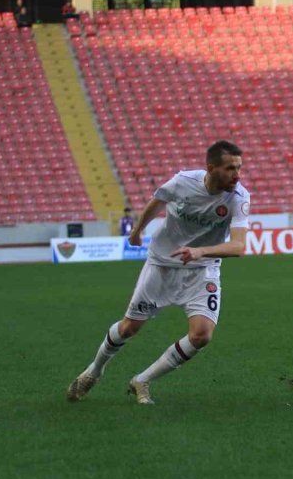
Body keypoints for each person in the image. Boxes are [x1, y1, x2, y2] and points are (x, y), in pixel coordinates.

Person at [67, 140, 250, 405]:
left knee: (202, 335)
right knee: (130, 327)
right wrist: (138, 229)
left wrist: (200, 252)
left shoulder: (239, 197)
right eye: (231, 168)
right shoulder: (183, 181)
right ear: (211, 168)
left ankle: (142, 380)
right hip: (162, 263)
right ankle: (93, 371)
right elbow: (157, 202)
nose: (238, 174)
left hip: (202, 268)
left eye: (240, 167)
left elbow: (239, 246)